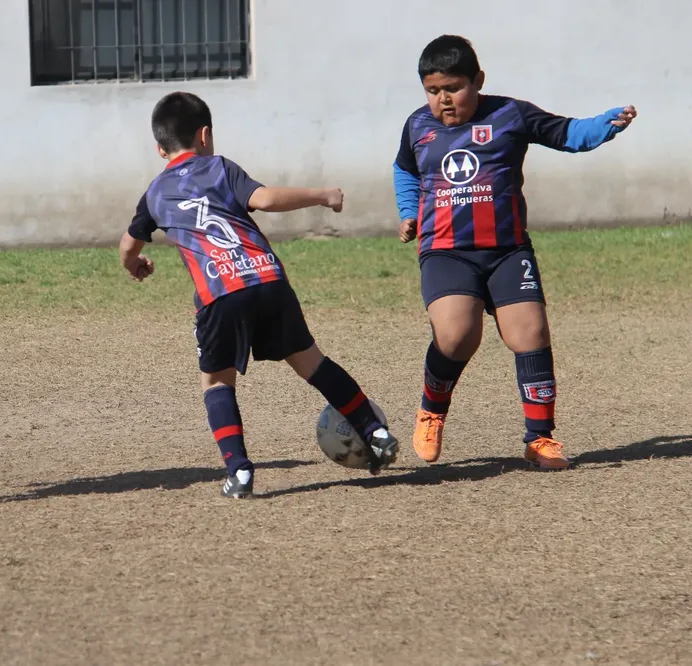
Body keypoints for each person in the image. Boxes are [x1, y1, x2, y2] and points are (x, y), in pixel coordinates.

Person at [119, 91, 398, 499]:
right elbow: (263, 199)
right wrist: (322, 194)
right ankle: (375, 432)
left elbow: (128, 246)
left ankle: (240, 472)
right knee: (313, 364)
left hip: (220, 293)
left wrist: (135, 266)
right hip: (268, 279)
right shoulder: (220, 168)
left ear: (160, 149)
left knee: (216, 382)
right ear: (205, 134)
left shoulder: (155, 193)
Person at [393, 35, 637, 469]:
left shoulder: (510, 115)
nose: (444, 99)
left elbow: (565, 133)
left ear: (478, 81)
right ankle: (432, 410)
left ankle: (540, 439)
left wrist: (605, 124)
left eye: (454, 87)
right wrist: (409, 212)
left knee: (531, 335)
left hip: (507, 250)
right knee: (456, 335)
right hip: (446, 252)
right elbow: (404, 170)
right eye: (433, 91)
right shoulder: (417, 126)